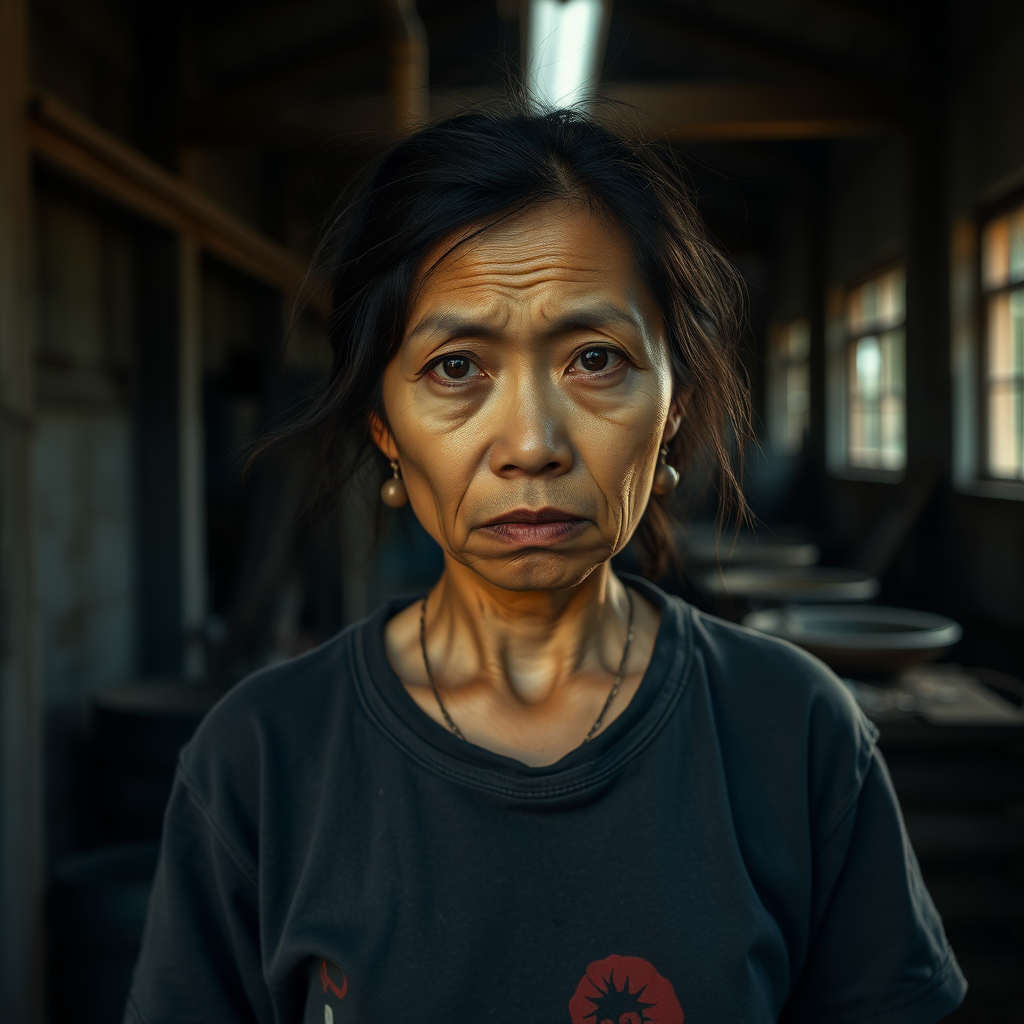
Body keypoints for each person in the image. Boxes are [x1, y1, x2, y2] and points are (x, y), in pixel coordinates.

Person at [125, 107, 966, 1024]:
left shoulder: (794, 732)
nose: (531, 444)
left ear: (674, 403)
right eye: (455, 368)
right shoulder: (260, 759)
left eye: (595, 359)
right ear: (383, 428)